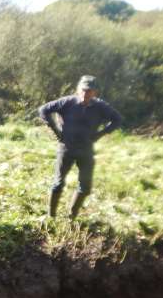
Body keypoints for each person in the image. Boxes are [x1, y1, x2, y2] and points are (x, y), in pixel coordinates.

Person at [38, 75, 122, 219]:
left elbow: (117, 119)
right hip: (66, 148)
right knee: (58, 183)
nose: (85, 93)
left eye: (89, 91)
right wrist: (55, 130)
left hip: (86, 149)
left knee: (85, 187)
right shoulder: (67, 102)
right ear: (78, 90)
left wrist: (100, 134)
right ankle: (51, 216)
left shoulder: (100, 106)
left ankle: (71, 217)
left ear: (95, 93)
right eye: (83, 90)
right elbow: (43, 110)